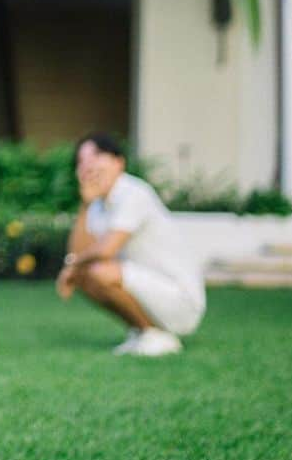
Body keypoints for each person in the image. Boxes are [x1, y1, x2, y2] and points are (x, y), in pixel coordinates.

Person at [57, 133, 206, 357]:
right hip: (149, 290)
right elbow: (78, 253)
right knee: (86, 275)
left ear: (119, 162)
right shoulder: (97, 206)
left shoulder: (134, 193)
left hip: (180, 299)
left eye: (97, 155)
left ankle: (155, 335)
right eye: (81, 160)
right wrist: (85, 205)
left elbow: (106, 250)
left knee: (99, 271)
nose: (88, 165)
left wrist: (72, 265)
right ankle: (143, 332)